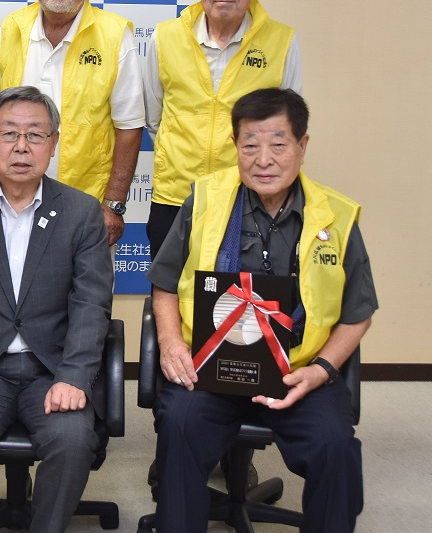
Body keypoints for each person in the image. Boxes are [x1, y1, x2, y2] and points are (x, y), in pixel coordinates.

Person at [147, 88, 376, 533]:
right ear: (236, 147)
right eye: (250, 144)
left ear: (302, 146)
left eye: (278, 143)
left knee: (335, 447)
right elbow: (165, 284)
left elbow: (358, 312)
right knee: (178, 425)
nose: (263, 158)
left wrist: (322, 370)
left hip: (297, 370)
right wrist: (171, 342)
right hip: (213, 368)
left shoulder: (337, 217)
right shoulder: (207, 200)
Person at [0, 85, 114, 533]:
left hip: (52, 367)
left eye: (35, 135)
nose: (21, 147)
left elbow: (91, 303)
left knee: (72, 440)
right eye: (9, 134)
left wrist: (73, 376)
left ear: (53, 143)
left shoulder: (83, 212)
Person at [143, 0, 301, 258]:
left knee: (241, 302)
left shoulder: (282, 42)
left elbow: (290, 128)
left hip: (250, 198)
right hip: (177, 198)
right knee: (171, 299)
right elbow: (154, 117)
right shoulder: (165, 37)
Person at [0, 0, 144, 246]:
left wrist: (113, 204)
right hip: (14, 205)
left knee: (87, 295)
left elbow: (129, 128)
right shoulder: (12, 28)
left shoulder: (114, 35)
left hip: (86, 207)